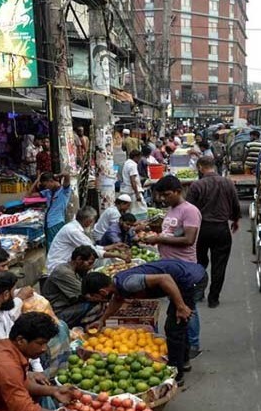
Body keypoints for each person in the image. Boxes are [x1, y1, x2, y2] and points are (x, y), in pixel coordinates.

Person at [83, 260, 205, 384]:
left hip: (191, 280)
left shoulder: (128, 283)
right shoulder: (117, 283)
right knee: (177, 325)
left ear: (102, 292)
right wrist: (102, 320)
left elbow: (165, 279)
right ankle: (183, 362)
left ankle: (176, 375)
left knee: (174, 328)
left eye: (96, 297)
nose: (98, 301)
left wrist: (181, 306)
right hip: (186, 278)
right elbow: (118, 299)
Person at [142, 175, 202, 357]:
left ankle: (193, 344)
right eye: (161, 195)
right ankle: (186, 343)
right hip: (169, 267)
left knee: (186, 305)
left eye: (167, 194)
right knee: (178, 304)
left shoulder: (189, 211)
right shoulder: (172, 209)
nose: (163, 199)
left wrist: (159, 238)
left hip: (184, 267)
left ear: (178, 191)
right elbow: (172, 232)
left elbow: (189, 239)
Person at [185, 156, 240, 308]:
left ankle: (199, 291)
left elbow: (188, 208)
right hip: (221, 229)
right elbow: (235, 204)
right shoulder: (227, 183)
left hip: (201, 229)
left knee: (199, 262)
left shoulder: (197, 185)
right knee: (219, 265)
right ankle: (213, 298)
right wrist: (235, 220)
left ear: (201, 167)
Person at [45, 207, 130, 273]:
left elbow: (91, 247)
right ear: (88, 221)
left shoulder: (74, 228)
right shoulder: (73, 231)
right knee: (98, 261)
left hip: (65, 263)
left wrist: (113, 246)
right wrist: (118, 255)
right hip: (59, 266)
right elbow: (92, 251)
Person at [42, 245, 100, 327]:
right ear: (79, 259)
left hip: (67, 306)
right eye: (89, 263)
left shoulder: (76, 271)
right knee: (95, 304)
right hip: (57, 313)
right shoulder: (64, 272)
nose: (90, 267)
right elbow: (87, 293)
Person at [29, 172, 72, 248]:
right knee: (51, 247)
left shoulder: (64, 191)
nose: (46, 187)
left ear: (51, 181)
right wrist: (37, 180)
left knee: (55, 248)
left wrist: (57, 175)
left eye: (46, 185)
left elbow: (66, 174)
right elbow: (28, 196)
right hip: (48, 224)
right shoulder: (47, 192)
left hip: (56, 223)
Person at [120, 149, 148, 219]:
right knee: (141, 209)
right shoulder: (133, 165)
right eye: (139, 158)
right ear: (136, 157)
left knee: (129, 210)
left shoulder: (126, 163)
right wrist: (137, 194)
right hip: (132, 191)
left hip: (125, 190)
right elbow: (133, 181)